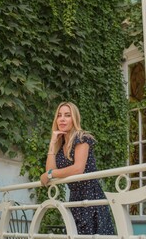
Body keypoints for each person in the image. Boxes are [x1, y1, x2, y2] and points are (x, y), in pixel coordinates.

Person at [40, 101, 115, 235]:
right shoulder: (61, 145)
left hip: (91, 197)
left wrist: (51, 174)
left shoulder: (82, 138)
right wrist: (52, 142)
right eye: (59, 115)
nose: (62, 119)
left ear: (74, 119)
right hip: (74, 198)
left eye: (67, 115)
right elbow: (49, 170)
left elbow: (78, 168)